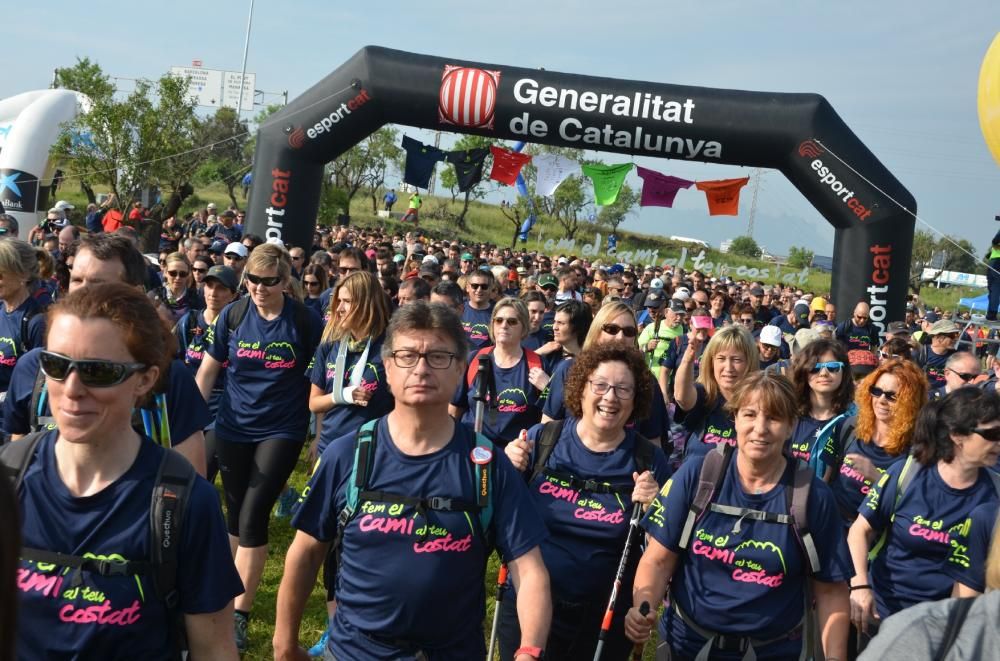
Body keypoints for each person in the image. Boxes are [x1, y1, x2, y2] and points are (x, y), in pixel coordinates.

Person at [273, 301, 551, 661]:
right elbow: (305, 553)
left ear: (459, 371)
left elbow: (529, 570)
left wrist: (528, 652)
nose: (421, 368)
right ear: (387, 368)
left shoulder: (487, 466)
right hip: (356, 653)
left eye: (438, 357)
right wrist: (283, 645)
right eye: (406, 356)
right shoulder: (347, 455)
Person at [5, 283, 242, 659]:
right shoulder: (9, 478)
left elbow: (214, 648)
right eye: (55, 364)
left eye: (97, 371)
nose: (71, 388)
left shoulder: (182, 502)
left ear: (145, 380)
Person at [626, 371, 852, 661]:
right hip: (686, 646)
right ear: (734, 419)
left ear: (791, 426)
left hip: (773, 651)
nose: (760, 429)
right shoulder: (697, 475)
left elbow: (832, 591)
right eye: (749, 415)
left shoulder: (813, 496)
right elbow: (658, 560)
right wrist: (642, 606)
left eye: (773, 417)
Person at [498, 341, 670, 660]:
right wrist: (508, 466)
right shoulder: (542, 440)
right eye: (600, 385)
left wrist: (655, 505)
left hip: (605, 613)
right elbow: (503, 514)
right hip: (529, 602)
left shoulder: (649, 459)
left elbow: (662, 548)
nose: (610, 397)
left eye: (623, 389)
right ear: (581, 388)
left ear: (636, 400)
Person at [195, 243, 323, 652]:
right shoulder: (233, 315)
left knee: (253, 516)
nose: (259, 288)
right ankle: (223, 594)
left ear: (286, 282)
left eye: (269, 281)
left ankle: (239, 613)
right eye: (252, 279)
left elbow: (319, 377)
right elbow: (207, 371)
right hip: (232, 425)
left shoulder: (304, 321)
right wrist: (195, 426)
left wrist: (319, 433)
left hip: (281, 429)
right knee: (234, 514)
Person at [2, 233, 210, 475]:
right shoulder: (33, 367)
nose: (83, 293)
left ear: (135, 294)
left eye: (99, 284)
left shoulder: (168, 378)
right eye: (77, 280)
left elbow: (190, 482)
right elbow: (17, 470)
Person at [847, 388, 1000, 639]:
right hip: (882, 615)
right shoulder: (907, 474)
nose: (998, 442)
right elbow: (860, 530)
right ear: (957, 436)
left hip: (941, 631)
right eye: (992, 434)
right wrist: (860, 585)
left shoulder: (995, 496)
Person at [305, 270, 395, 652]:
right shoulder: (331, 344)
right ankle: (334, 626)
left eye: (346, 301)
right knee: (328, 540)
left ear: (366, 303)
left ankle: (369, 623)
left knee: (363, 541)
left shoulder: (388, 347)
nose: (339, 308)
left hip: (375, 455)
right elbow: (313, 402)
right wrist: (343, 395)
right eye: (337, 302)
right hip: (332, 453)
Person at [858, 521, 1000, 659]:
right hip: (886, 615)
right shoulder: (985, 515)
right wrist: (860, 587)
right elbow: (861, 529)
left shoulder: (984, 504)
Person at [544, 302, 666, 450]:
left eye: (628, 331)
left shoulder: (646, 381)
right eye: (611, 329)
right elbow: (547, 429)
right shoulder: (568, 370)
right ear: (596, 332)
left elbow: (653, 442)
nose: (620, 337)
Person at [827, 358, 927, 527]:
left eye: (892, 396)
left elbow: (917, 511)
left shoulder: (919, 450)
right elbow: (826, 481)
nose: (881, 400)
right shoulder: (849, 428)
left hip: (875, 540)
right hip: (833, 528)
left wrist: (879, 479)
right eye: (876, 391)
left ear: (910, 401)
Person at [450, 297, 547, 446]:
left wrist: (548, 389)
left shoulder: (538, 364)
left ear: (524, 328)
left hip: (516, 455)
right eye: (498, 320)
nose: (504, 325)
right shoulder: (474, 359)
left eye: (512, 321)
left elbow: (549, 417)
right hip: (472, 448)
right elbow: (455, 410)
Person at [175, 265, 240, 481]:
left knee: (204, 468)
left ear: (233, 295)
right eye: (210, 285)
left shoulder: (238, 327)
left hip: (225, 407)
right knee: (180, 466)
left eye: (221, 288)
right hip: (191, 401)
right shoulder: (190, 322)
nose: (213, 292)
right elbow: (177, 360)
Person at [673, 324, 758, 461]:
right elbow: (682, 397)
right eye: (721, 359)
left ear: (749, 362)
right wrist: (687, 360)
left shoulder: (759, 402)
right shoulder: (704, 394)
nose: (728, 367)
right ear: (711, 362)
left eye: (736, 359)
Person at [787, 339, 856, 475]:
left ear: (844, 371)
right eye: (815, 368)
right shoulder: (788, 414)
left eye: (832, 367)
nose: (824, 373)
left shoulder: (856, 419)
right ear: (804, 372)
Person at [0, 239, 47, 397]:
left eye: (1, 274)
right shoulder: (1, 309)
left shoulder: (37, 322)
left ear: (24, 276)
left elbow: (38, 386)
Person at [149, 252, 204, 325]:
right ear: (165, 273)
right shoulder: (153, 296)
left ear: (188, 275)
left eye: (182, 274)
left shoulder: (197, 298)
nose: (178, 278)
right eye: (173, 273)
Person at [916, 319, 959, 390]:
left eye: (957, 335)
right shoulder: (921, 353)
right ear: (939, 337)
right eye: (952, 336)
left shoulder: (956, 357)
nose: (956, 339)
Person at [461, 269, 497, 351]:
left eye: (484, 286)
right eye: (475, 286)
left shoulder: (497, 313)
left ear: (491, 288)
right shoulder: (458, 308)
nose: (479, 290)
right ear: (467, 288)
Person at [986, 224, 1000, 321]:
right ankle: (991, 314)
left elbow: (995, 242)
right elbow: (995, 242)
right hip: (996, 262)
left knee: (994, 289)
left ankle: (991, 314)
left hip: (995, 262)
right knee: (994, 289)